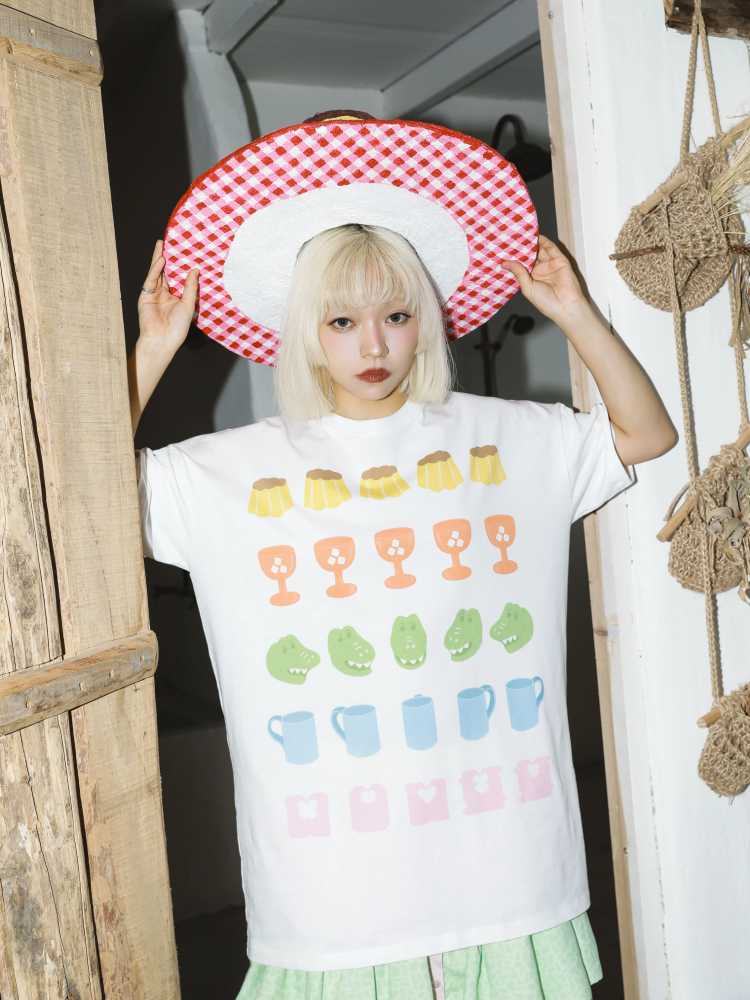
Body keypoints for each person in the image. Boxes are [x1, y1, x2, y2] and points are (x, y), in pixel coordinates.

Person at [128, 114, 677, 1000]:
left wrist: (575, 312)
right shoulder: (231, 469)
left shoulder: (505, 438)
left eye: (396, 315)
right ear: (305, 329)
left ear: (428, 319)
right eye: (342, 321)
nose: (374, 346)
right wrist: (151, 353)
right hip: (332, 887)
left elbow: (645, 435)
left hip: (503, 869)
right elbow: (81, 507)